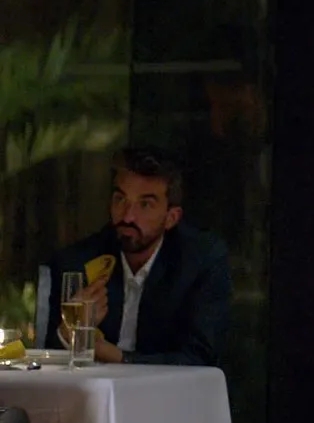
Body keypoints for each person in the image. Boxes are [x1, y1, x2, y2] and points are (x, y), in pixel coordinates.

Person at [39, 147, 232, 365]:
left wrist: (116, 356)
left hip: (167, 387)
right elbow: (45, 358)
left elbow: (200, 358)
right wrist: (67, 334)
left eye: (145, 204)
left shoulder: (199, 262)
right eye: (120, 199)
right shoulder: (78, 261)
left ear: (171, 217)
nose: (128, 216)